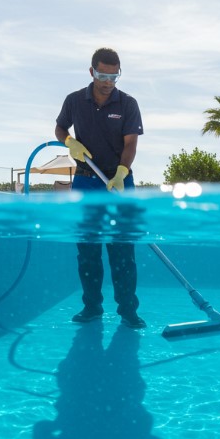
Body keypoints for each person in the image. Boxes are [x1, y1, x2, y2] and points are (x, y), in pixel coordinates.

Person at [55, 47, 146, 329]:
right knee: (88, 248)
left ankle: (128, 311)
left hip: (119, 179)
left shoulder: (128, 104)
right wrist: (69, 142)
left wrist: (121, 172)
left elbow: (131, 143)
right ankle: (92, 307)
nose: (108, 81)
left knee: (121, 249)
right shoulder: (74, 100)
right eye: (103, 75)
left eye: (114, 76)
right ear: (92, 71)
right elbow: (60, 129)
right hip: (86, 180)